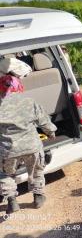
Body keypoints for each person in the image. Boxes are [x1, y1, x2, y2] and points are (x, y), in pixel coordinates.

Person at [0, 74, 57, 214]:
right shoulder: (29, 101)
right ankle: (38, 197)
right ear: (18, 86)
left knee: (5, 174)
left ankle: (12, 201)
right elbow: (43, 121)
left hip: (8, 150)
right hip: (32, 146)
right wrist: (51, 132)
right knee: (36, 170)